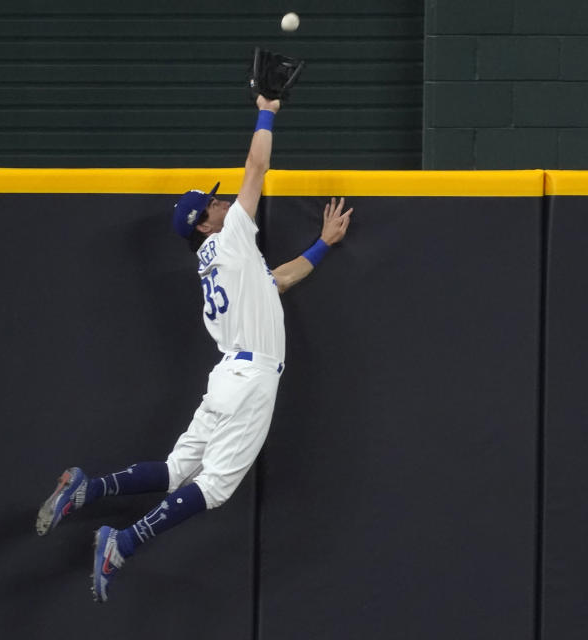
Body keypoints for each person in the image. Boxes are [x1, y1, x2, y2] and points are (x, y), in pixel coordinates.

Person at [35, 94, 353, 603]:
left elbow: (277, 282)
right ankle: (124, 541)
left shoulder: (220, 260)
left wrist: (322, 244)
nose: (223, 202)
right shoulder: (230, 242)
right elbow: (257, 165)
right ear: (204, 223)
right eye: (214, 203)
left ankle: (88, 489)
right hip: (249, 381)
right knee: (215, 487)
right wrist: (267, 109)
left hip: (229, 376)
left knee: (175, 472)